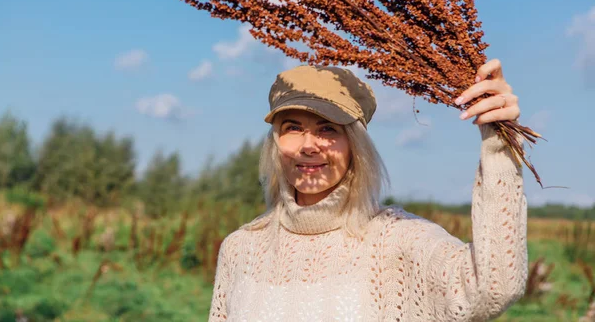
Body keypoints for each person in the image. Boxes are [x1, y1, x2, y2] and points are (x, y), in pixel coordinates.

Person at [209, 60, 527, 322]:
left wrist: (499, 144)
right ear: (276, 141)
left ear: (355, 146)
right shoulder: (241, 249)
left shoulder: (397, 240)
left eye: (328, 129)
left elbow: (493, 287)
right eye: (293, 127)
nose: (308, 145)